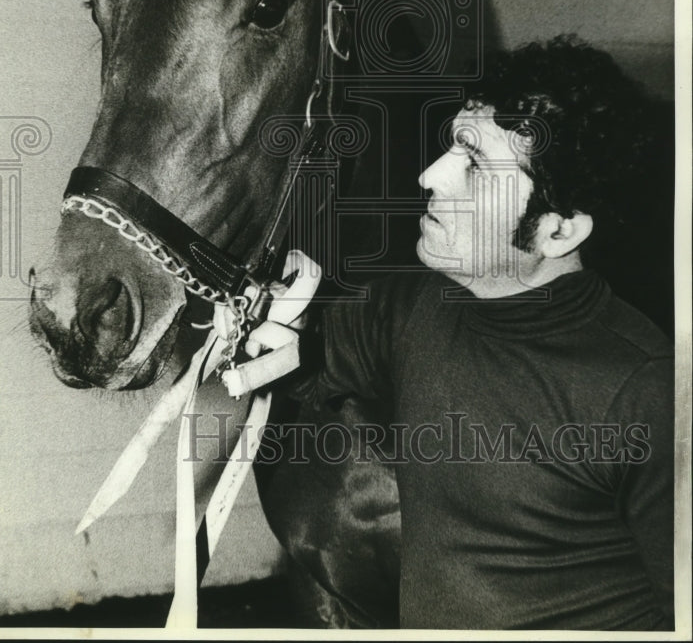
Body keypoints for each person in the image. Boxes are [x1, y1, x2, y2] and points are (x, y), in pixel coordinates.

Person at [253, 34, 674, 630]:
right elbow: (299, 352)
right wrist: (262, 314)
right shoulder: (414, 305)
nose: (429, 176)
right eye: (454, 144)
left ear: (558, 232)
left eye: (475, 165)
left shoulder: (645, 388)